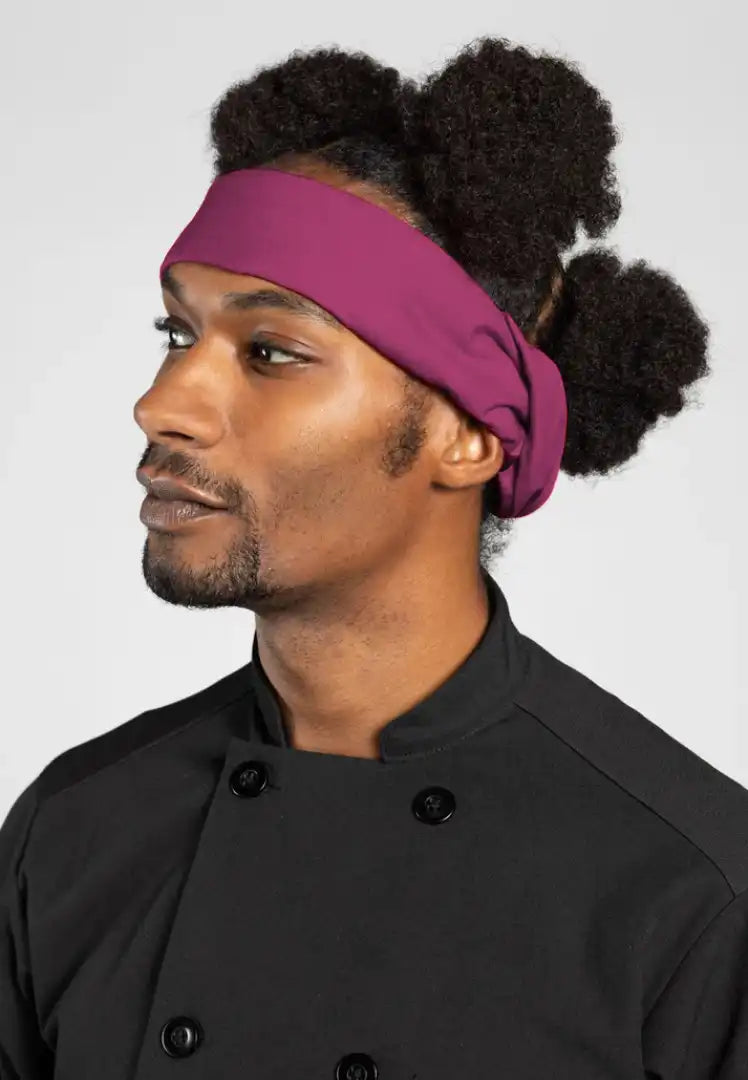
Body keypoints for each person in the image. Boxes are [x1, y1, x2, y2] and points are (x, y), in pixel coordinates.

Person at [1, 36, 745, 1080]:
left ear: (468, 437)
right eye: (176, 336)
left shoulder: (691, 896)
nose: (162, 404)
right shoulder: (73, 831)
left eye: (271, 352)